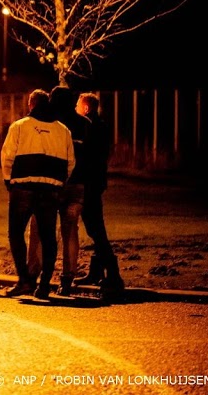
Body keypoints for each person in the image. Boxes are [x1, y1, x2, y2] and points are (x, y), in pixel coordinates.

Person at [2, 89, 75, 299]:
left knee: (16, 233)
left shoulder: (19, 126)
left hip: (23, 187)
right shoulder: (63, 131)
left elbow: (7, 156)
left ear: (30, 104)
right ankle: (44, 286)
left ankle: (24, 280)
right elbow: (71, 162)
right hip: (50, 190)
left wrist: (9, 181)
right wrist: (59, 182)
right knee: (48, 237)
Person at [27, 85, 90, 295]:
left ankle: (35, 274)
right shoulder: (84, 124)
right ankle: (67, 279)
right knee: (70, 231)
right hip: (78, 183)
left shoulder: (51, 125)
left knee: (39, 228)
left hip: (51, 184)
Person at [74, 92, 124, 297]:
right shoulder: (100, 125)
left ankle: (113, 275)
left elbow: (87, 156)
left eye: (78, 105)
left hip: (90, 183)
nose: (76, 108)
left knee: (96, 229)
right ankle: (96, 272)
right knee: (95, 228)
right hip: (96, 181)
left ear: (86, 108)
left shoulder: (89, 127)